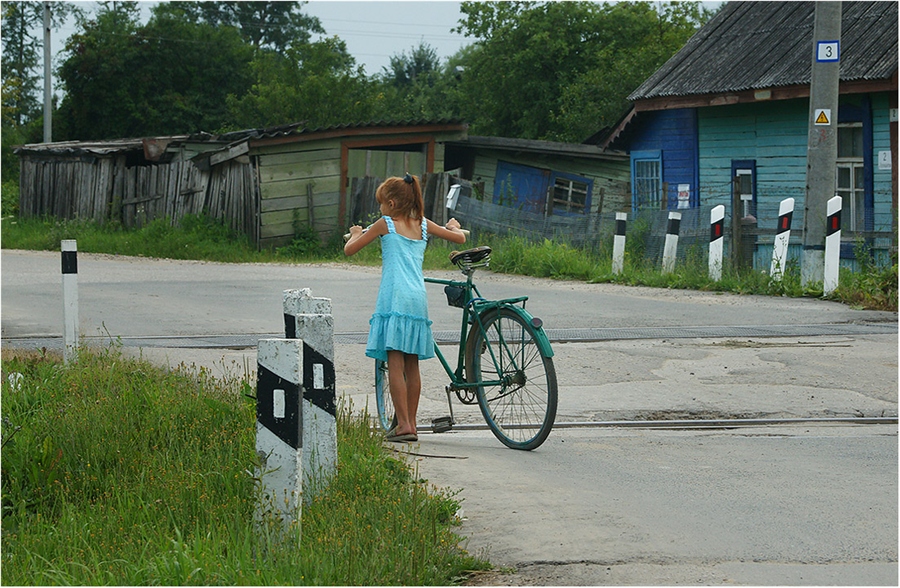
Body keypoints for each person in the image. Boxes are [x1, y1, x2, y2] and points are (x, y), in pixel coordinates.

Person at [344, 173, 467, 442]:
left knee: (395, 360)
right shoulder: (423, 225)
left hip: (393, 298)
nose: (380, 209)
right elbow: (459, 240)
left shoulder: (384, 224)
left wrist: (354, 234)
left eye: (380, 204)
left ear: (390, 203)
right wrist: (456, 227)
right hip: (417, 299)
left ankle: (404, 427)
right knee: (412, 366)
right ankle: (410, 422)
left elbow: (350, 250)